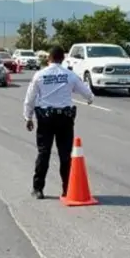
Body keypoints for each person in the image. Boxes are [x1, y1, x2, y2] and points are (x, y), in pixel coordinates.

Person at [23, 45, 95, 200]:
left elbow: (30, 98)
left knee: (43, 153)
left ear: (49, 58)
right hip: (64, 119)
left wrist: (28, 117)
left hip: (45, 119)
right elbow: (87, 93)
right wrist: (89, 99)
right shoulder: (70, 75)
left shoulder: (40, 75)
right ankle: (67, 189)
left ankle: (38, 189)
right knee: (65, 155)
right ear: (63, 59)